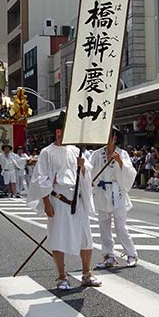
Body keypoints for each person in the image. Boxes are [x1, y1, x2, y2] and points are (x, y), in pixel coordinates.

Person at [27, 111, 101, 290]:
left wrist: (83, 168)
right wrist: (46, 202)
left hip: (78, 199)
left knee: (86, 238)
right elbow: (40, 178)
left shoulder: (76, 150)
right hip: (58, 200)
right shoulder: (47, 152)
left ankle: (86, 273)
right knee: (58, 238)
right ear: (58, 132)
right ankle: (62, 276)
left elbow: (88, 175)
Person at [91, 126, 138, 269]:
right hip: (102, 191)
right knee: (104, 226)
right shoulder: (97, 154)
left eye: (110, 136)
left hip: (117, 192)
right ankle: (109, 256)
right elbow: (90, 171)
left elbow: (131, 172)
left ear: (115, 138)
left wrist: (120, 163)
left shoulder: (122, 153)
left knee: (120, 227)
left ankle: (131, 254)